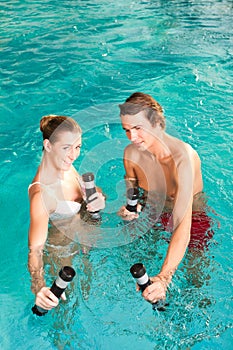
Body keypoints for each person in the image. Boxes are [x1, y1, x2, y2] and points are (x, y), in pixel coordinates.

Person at [118, 92, 212, 305]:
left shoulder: (183, 159)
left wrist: (164, 277)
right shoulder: (131, 154)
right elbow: (131, 187)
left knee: (195, 281)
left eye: (138, 128)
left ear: (157, 123)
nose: (132, 137)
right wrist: (128, 208)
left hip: (191, 219)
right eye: (127, 130)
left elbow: (182, 224)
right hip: (153, 213)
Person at [28, 115, 105, 312]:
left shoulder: (66, 167)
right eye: (66, 148)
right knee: (66, 309)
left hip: (83, 237)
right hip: (62, 251)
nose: (73, 155)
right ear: (48, 145)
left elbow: (90, 192)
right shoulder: (42, 193)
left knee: (88, 295)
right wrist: (39, 288)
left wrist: (98, 196)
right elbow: (35, 250)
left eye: (78, 147)